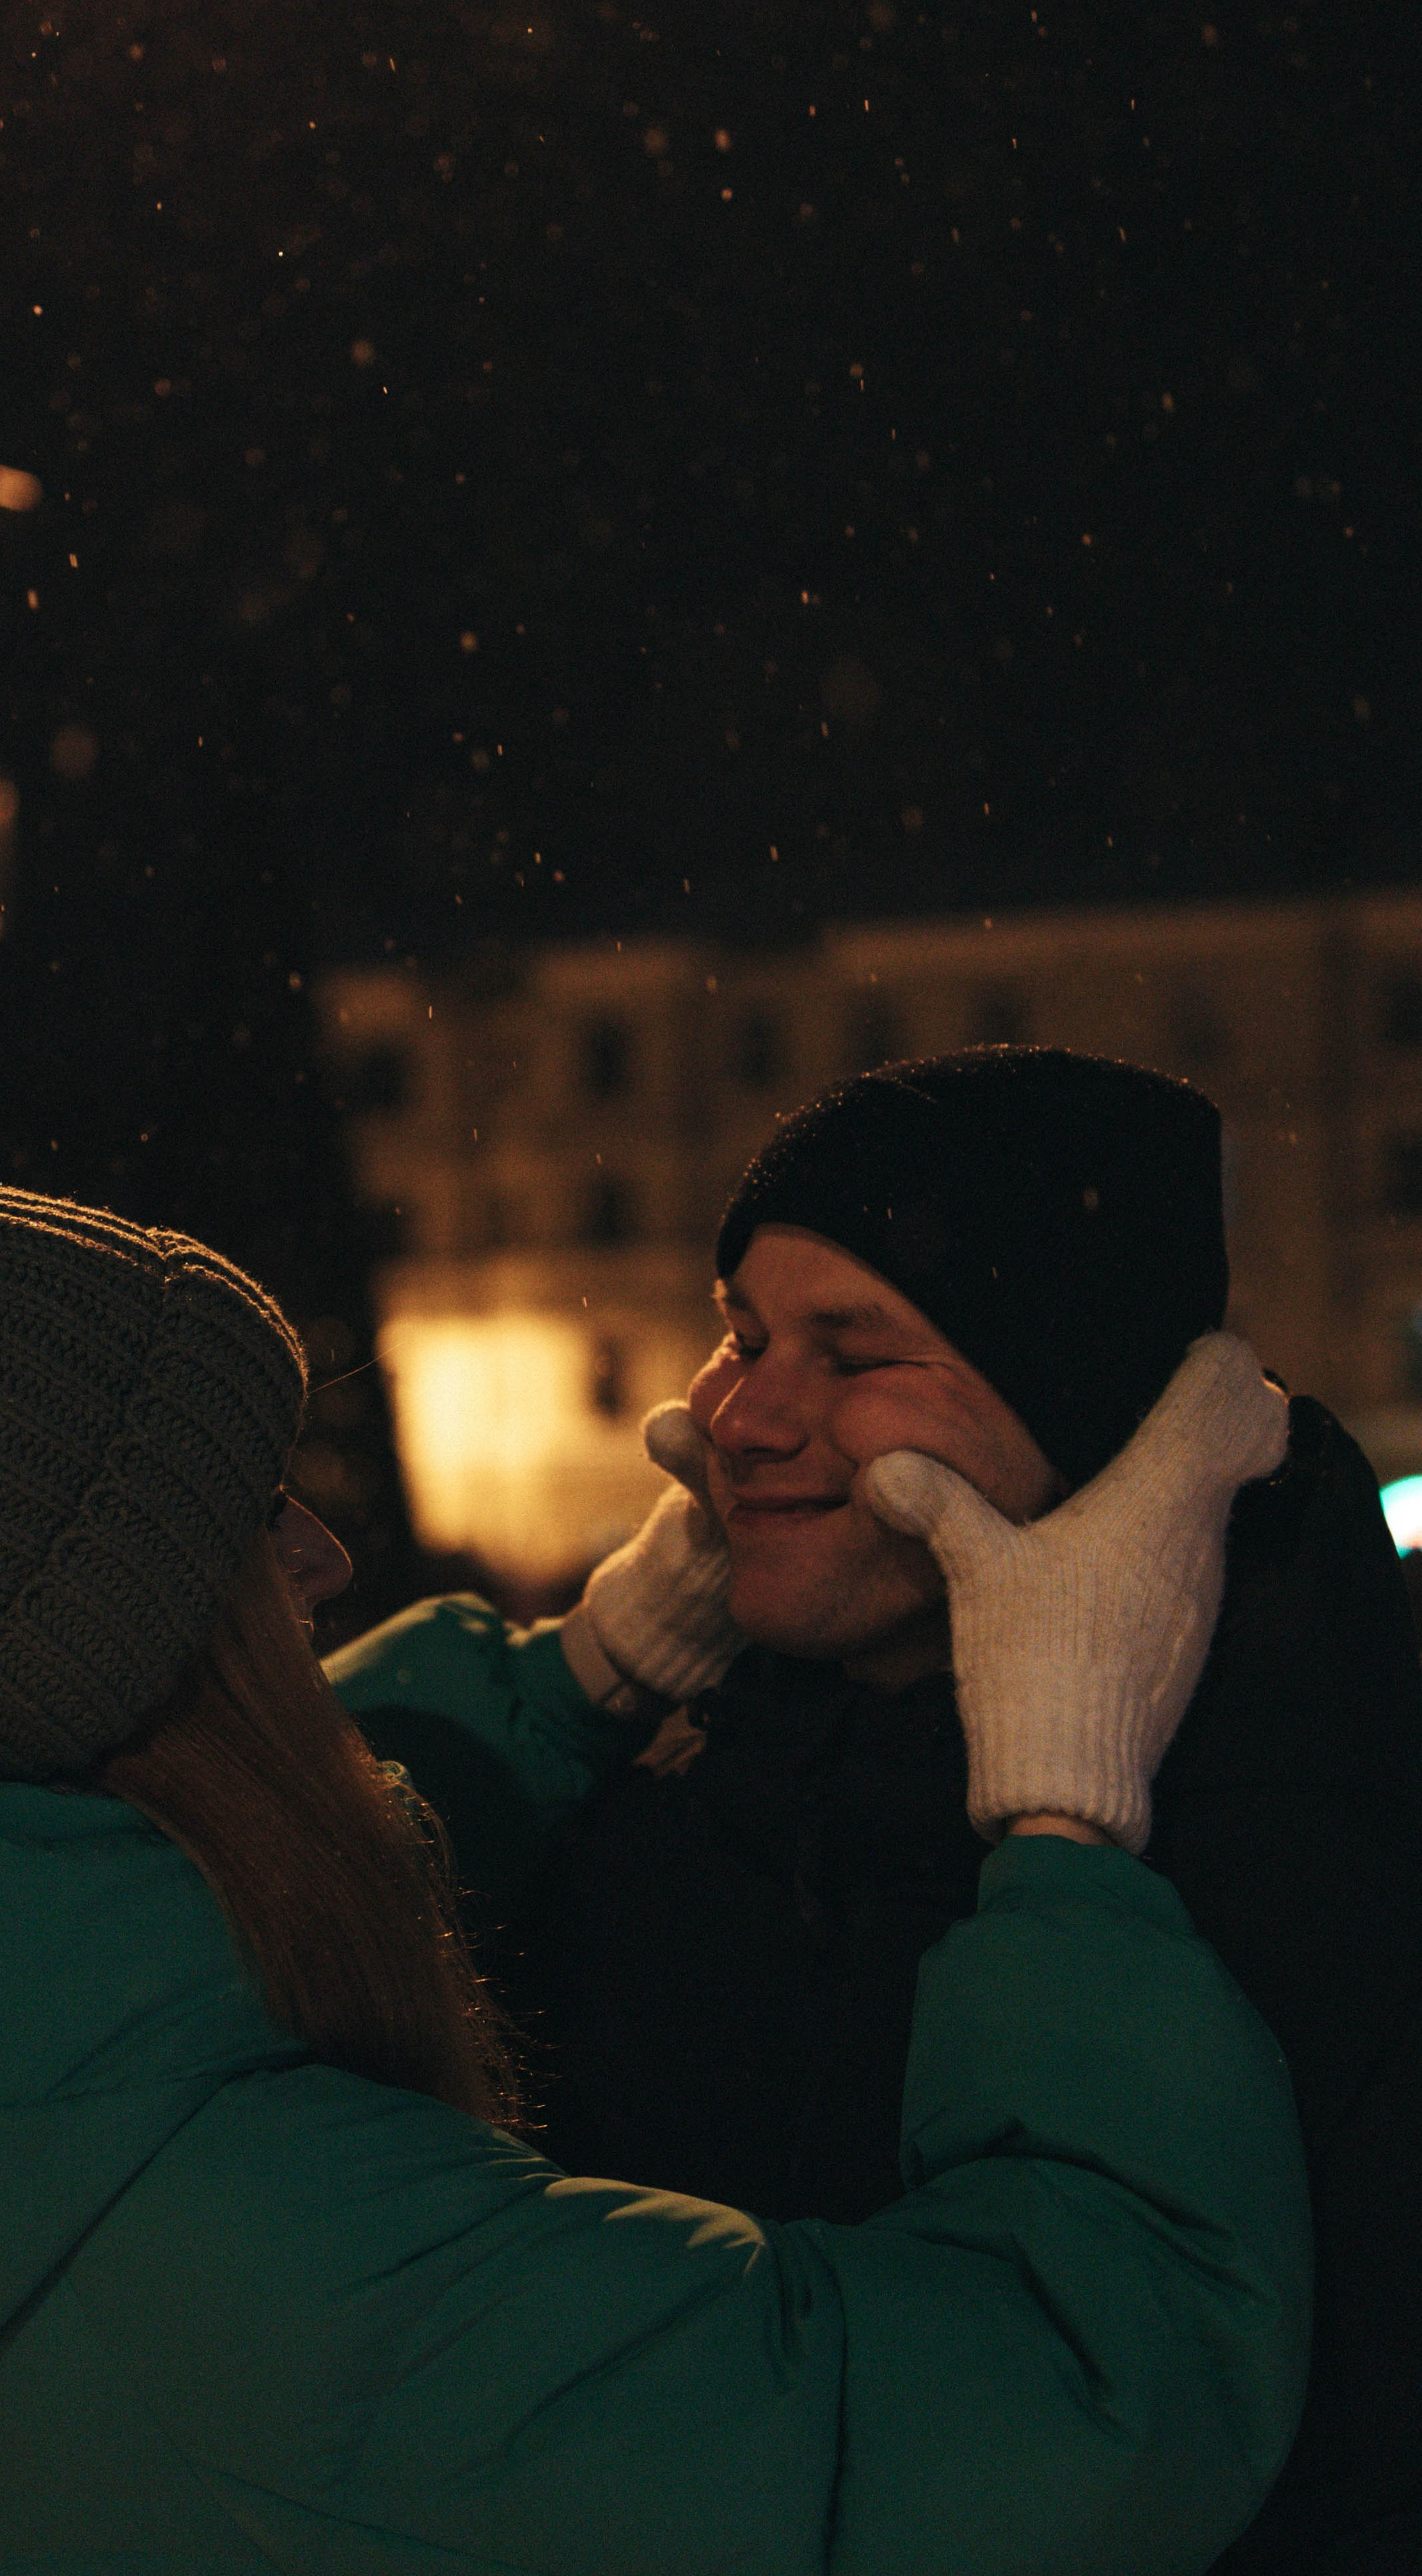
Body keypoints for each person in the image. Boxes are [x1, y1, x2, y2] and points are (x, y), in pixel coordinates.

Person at [0, 1173, 1304, 2576]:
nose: (321, 1557)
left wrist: (579, 1675)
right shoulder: (299, 2274)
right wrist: (1066, 1820)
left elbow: (157, 1904)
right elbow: (1068, 2405)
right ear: (123, 1642)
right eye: (255, 1515)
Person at [332, 1048, 1422, 2576]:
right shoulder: (694, 1796)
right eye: (741, 1337)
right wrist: (595, 1666)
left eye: (849, 1353)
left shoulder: (1322, 1837)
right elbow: (231, 1937)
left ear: (1084, 1415)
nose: (738, 1417)